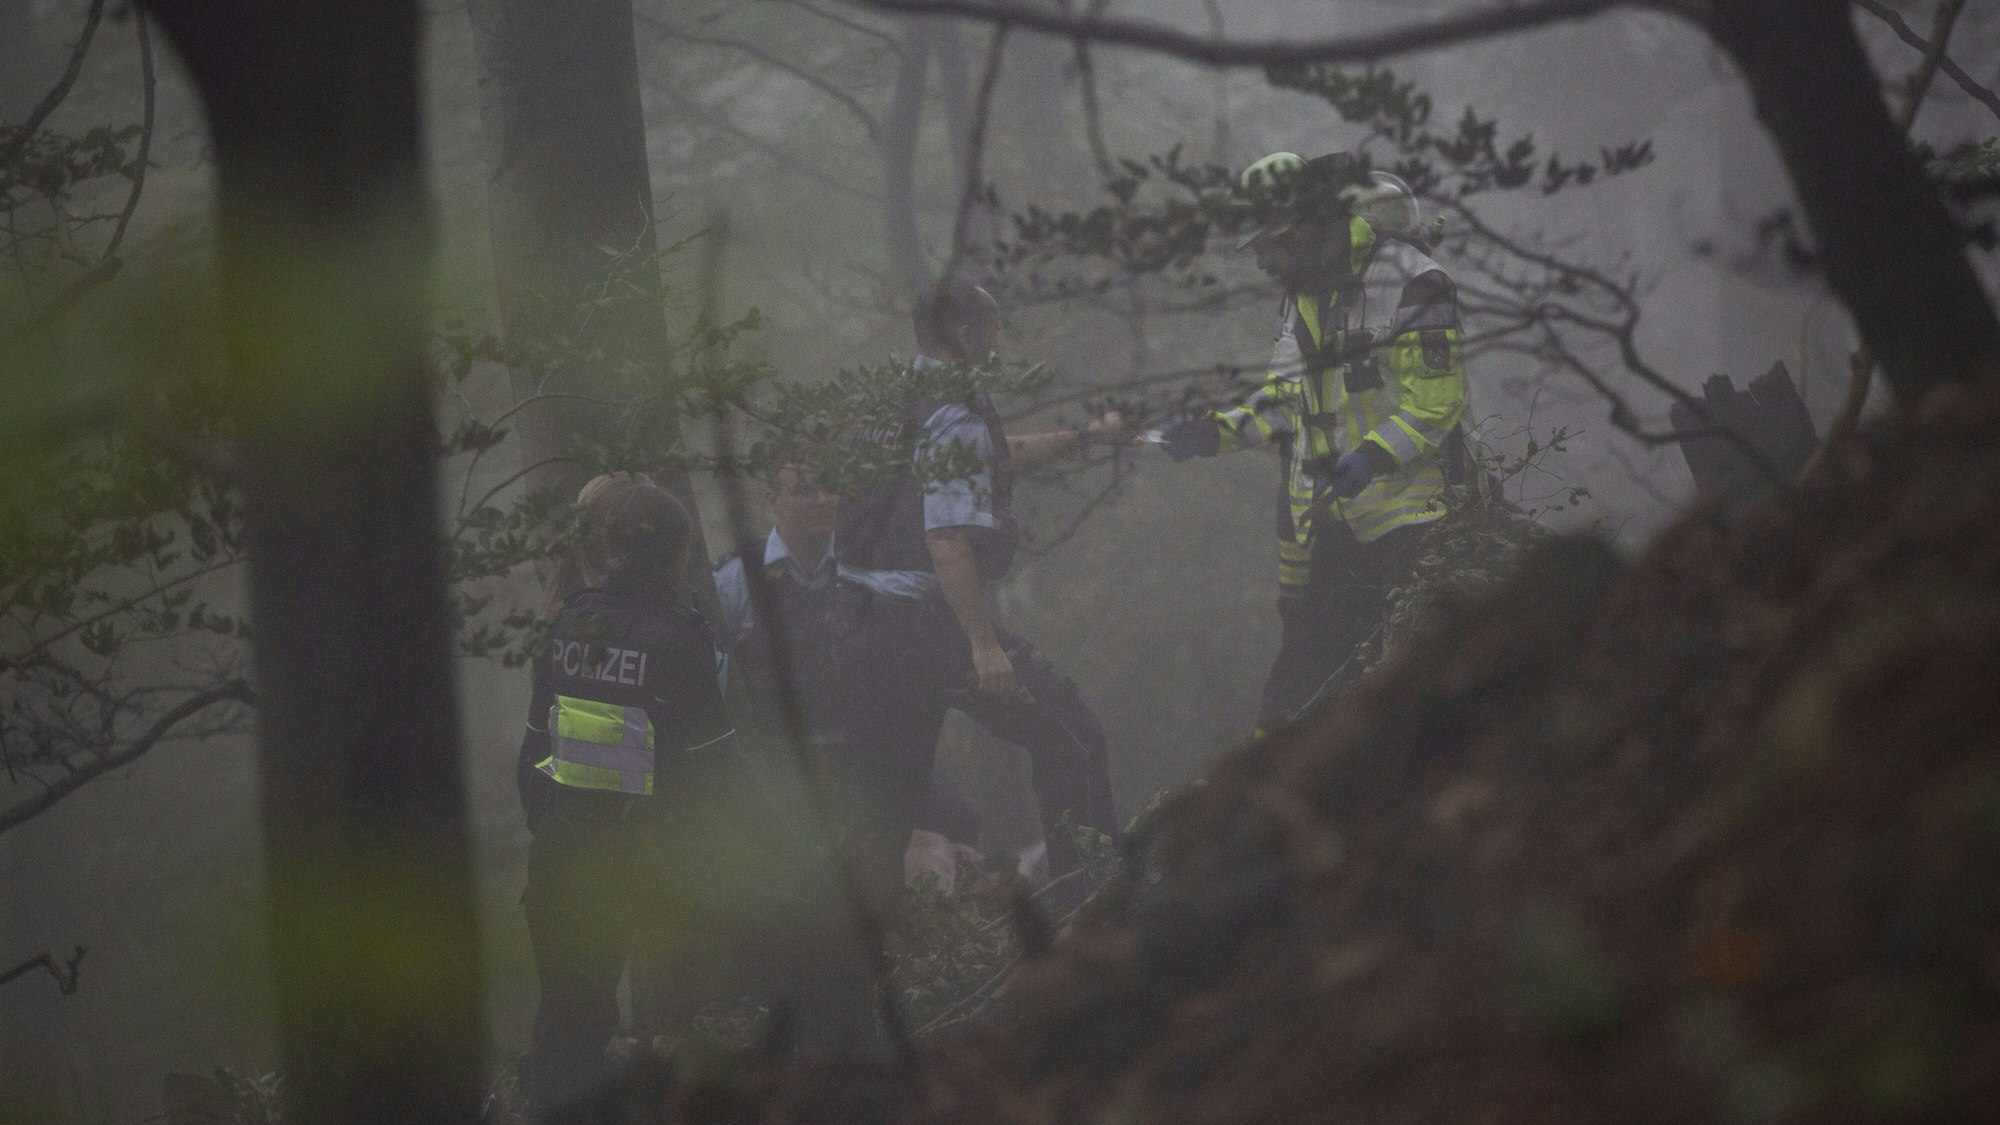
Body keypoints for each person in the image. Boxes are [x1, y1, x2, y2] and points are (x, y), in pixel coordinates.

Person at [833, 279, 1126, 911]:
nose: (998, 342)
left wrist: (1083, 439)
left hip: (863, 626)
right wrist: (982, 645)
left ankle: (865, 949)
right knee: (1072, 738)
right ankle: (1092, 908)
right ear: (967, 337)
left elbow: (994, 456)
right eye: (991, 328)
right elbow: (946, 539)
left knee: (891, 802)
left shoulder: (893, 402)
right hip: (929, 627)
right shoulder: (955, 415)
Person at [1158, 152, 1469, 733]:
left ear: (1300, 231)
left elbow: (1437, 401)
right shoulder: (1302, 297)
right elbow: (1283, 401)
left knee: (1417, 693)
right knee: (1293, 700)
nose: (1262, 264)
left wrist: (1371, 458)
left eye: (1266, 248)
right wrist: (1212, 432)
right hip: (1335, 524)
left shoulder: (1412, 278)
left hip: (1415, 520)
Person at [515, 476, 739, 1110]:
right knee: (676, 1030)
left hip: (563, 862)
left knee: (567, 1026)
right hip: (652, 865)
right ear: (677, 556)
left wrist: (558, 835)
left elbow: (532, 759)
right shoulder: (680, 638)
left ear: (605, 552)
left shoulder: (563, 629)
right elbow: (720, 765)